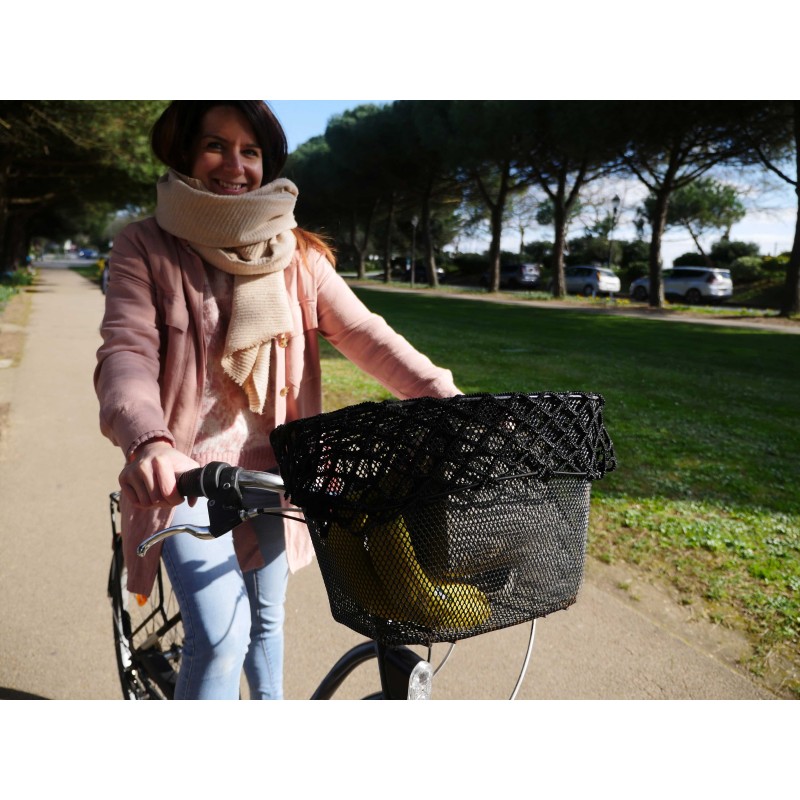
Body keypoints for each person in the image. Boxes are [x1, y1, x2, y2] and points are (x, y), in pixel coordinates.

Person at [94, 101, 461, 700]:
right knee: (221, 637)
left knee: (266, 622)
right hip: (185, 478)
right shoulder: (144, 245)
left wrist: (445, 397)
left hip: (274, 479)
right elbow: (125, 353)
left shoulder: (299, 255)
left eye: (251, 151)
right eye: (215, 145)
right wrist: (150, 442)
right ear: (185, 152)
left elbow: (366, 334)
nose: (234, 165)